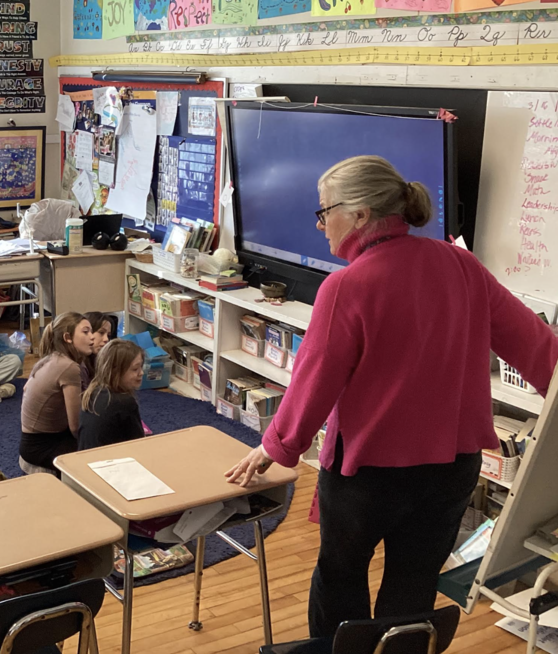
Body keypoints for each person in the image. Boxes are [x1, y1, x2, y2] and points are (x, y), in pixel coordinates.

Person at [225, 155, 558, 639]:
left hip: (368, 474)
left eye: (324, 212)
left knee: (341, 579)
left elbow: (314, 383)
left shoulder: (347, 285)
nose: (321, 225)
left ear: (360, 215)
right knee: (413, 583)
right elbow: (538, 349)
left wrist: (275, 447)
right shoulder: (461, 263)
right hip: (452, 468)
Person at [20, 312, 94, 474]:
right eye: (85, 332)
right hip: (41, 446)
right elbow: (75, 427)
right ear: (67, 337)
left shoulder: (51, 358)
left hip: (34, 440)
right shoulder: (69, 368)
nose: (92, 337)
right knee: (99, 452)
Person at [79, 339, 145, 451]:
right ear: (115, 371)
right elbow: (138, 443)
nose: (141, 373)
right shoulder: (124, 402)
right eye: (135, 369)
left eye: (141, 367)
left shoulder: (93, 391)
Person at [80, 311, 116, 390]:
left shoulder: (96, 359)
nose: (106, 339)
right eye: (101, 333)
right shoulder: (78, 366)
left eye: (108, 335)